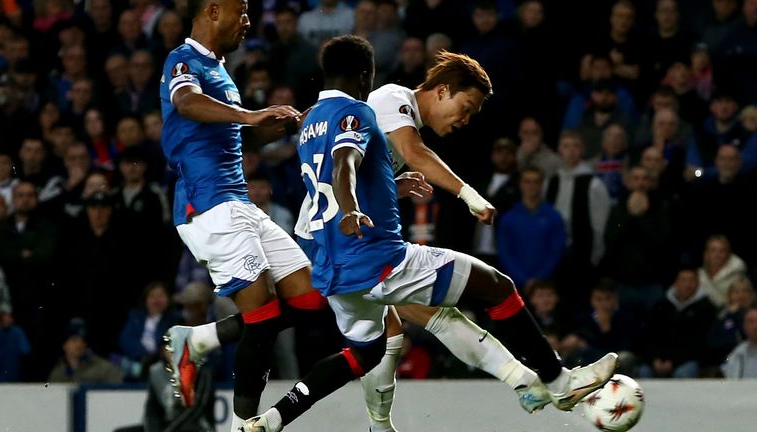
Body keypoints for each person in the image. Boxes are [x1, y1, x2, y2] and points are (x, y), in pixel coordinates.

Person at [238, 35, 617, 432]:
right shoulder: (389, 100)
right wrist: (469, 196)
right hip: (358, 247)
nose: (465, 120)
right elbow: (391, 156)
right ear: (442, 90)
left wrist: (390, 186)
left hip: (329, 249)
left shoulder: (328, 116)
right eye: (465, 107)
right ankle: (550, 382)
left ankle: (277, 419)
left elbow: (351, 170)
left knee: (376, 346)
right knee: (483, 292)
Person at [158, 1, 344, 429]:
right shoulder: (182, 60)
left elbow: (226, 134)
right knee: (262, 317)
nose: (247, 21)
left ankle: (199, 339)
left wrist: (273, 126)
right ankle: (244, 424)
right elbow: (186, 102)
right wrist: (251, 115)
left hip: (239, 203)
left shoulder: (220, 69)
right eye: (240, 11)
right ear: (213, 10)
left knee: (311, 297)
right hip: (207, 205)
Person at [722, 306, 757, 379]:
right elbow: (727, 370)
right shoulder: (737, 352)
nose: (755, 326)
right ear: (744, 326)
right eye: (751, 322)